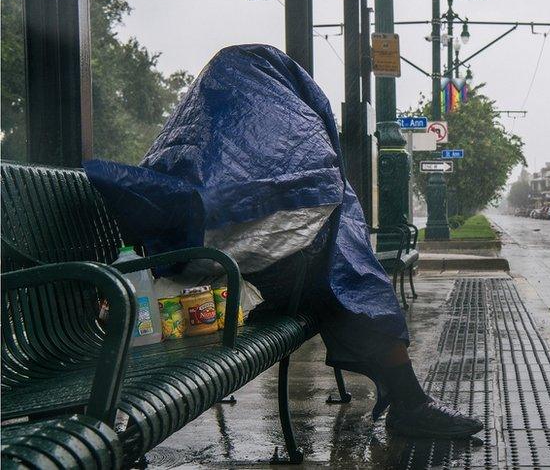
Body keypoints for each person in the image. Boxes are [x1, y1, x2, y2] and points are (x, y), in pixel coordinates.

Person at [85, 45, 482, 439]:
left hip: (224, 281)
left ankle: (409, 400)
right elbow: (319, 180)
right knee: (343, 270)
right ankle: (410, 402)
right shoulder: (265, 130)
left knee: (336, 267)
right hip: (231, 285)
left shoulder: (195, 132)